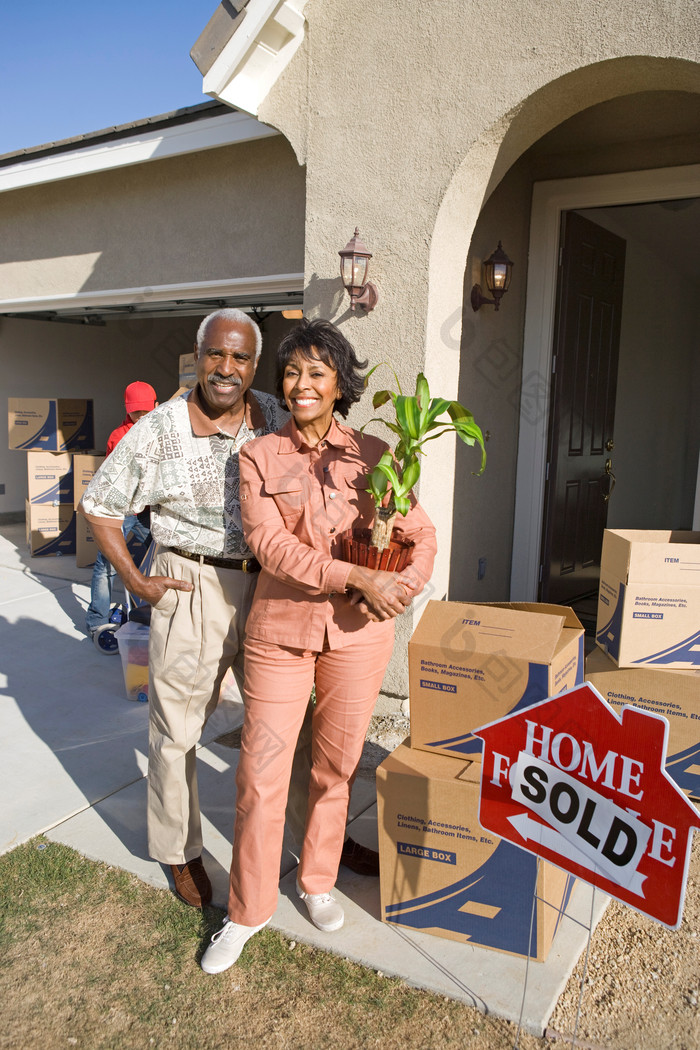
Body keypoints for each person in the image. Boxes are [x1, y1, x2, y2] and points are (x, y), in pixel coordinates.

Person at [79, 309, 378, 910]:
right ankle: (178, 849)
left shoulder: (271, 410)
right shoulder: (160, 429)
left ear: (253, 365)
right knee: (177, 731)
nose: (227, 368)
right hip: (193, 586)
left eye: (241, 358)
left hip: (272, 588)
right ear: (197, 355)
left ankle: (320, 840)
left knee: (286, 730)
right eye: (216, 355)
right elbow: (99, 503)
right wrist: (137, 582)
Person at [201, 318, 437, 974]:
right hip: (280, 633)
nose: (301, 385)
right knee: (260, 772)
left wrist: (402, 588)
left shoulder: (377, 452)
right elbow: (270, 546)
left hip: (359, 640)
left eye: (317, 373)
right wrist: (354, 575)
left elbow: (420, 534)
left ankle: (316, 880)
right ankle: (246, 911)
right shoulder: (256, 456)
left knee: (335, 769)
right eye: (293, 372)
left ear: (340, 385)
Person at [86, 382, 158, 653]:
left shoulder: (159, 430)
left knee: (159, 555)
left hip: (146, 510)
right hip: (120, 508)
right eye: (135, 412)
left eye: (144, 412)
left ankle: (147, 610)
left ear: (156, 406)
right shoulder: (120, 435)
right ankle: (96, 621)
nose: (140, 417)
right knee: (106, 564)